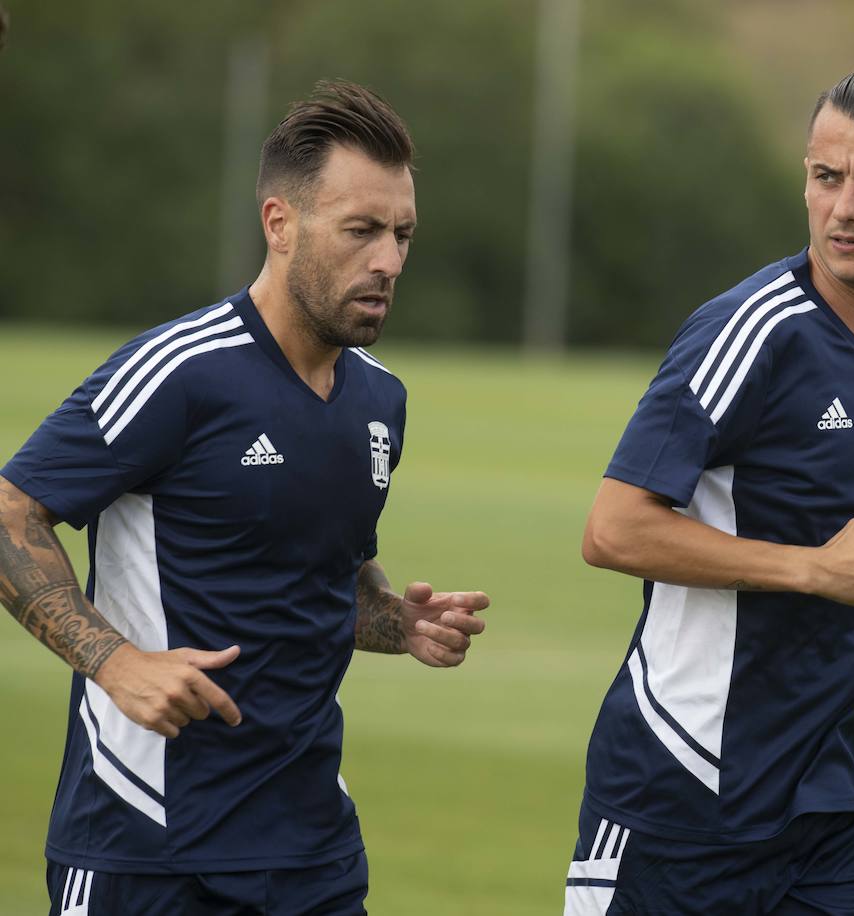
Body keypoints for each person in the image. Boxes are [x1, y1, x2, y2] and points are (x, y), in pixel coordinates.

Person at [0, 80, 489, 915]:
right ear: (280, 224)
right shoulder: (180, 372)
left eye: (403, 234)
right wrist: (115, 662)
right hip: (144, 845)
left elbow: (327, 577)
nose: (390, 261)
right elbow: (10, 510)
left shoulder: (381, 401)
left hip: (312, 851)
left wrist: (398, 624)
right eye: (363, 231)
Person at [562, 65, 854, 915]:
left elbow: (822, 532)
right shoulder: (750, 331)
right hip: (685, 788)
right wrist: (813, 571)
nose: (845, 207)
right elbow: (613, 530)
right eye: (825, 177)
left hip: (826, 799)